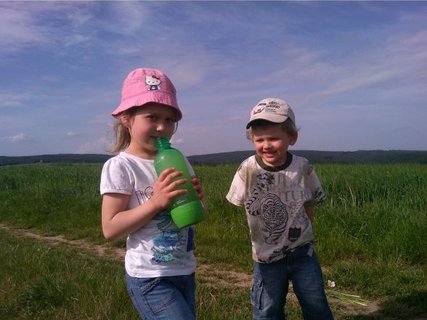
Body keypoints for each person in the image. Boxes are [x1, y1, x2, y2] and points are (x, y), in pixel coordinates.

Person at [100, 67, 204, 320]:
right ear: (127, 118)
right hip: (150, 278)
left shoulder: (178, 159)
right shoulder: (121, 166)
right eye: (152, 117)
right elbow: (110, 229)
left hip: (184, 270)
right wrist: (157, 202)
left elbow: (196, 214)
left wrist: (196, 199)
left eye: (169, 119)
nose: (161, 127)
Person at [226, 98, 333, 320]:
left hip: (302, 251)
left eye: (274, 138)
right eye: (259, 139)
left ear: (291, 137)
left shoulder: (302, 167)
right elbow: (240, 202)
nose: (266, 145)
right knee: (267, 309)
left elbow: (310, 203)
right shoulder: (247, 169)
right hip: (266, 256)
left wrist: (306, 232)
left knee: (316, 304)